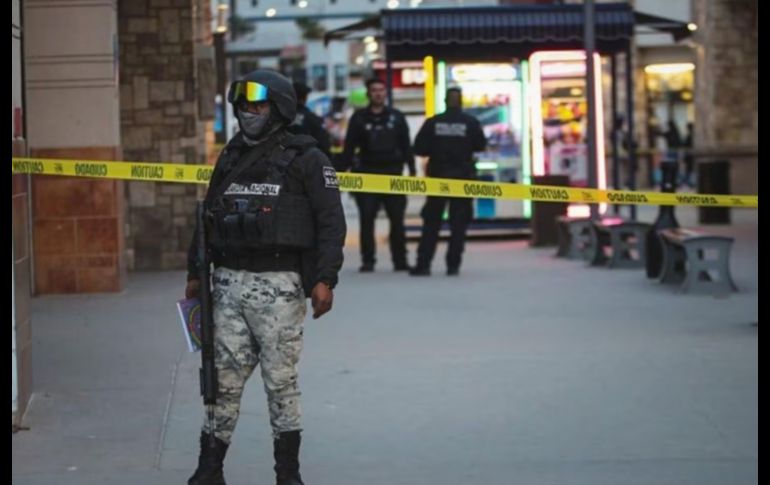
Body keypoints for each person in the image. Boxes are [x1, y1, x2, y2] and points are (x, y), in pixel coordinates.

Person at [184, 69, 346, 485]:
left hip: (279, 288)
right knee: (221, 382)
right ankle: (209, 469)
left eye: (256, 105)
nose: (247, 113)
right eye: (242, 105)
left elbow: (330, 222)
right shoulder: (232, 154)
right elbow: (207, 216)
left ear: (279, 108)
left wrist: (325, 278)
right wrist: (194, 272)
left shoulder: (308, 158)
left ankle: (287, 474)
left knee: (281, 382)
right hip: (227, 284)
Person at [337, 78, 415, 272]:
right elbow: (349, 148)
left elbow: (406, 145)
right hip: (367, 175)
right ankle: (368, 260)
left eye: (381, 90)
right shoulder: (359, 118)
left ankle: (400, 260)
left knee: (397, 220)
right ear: (368, 94)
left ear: (385, 93)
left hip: (393, 175)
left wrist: (412, 170)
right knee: (367, 219)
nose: (378, 93)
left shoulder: (396, 117)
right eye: (374, 90)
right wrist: (340, 173)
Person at [409, 87, 487, 276]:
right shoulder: (471, 122)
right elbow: (481, 145)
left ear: (444, 101)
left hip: (438, 179)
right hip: (463, 180)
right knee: (458, 225)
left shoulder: (433, 122)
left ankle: (424, 264)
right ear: (461, 101)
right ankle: (453, 266)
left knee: (431, 224)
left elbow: (419, 148)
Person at [287, 82, 332, 158]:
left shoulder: (283, 116)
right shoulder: (312, 118)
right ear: (305, 98)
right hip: (306, 161)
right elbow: (324, 142)